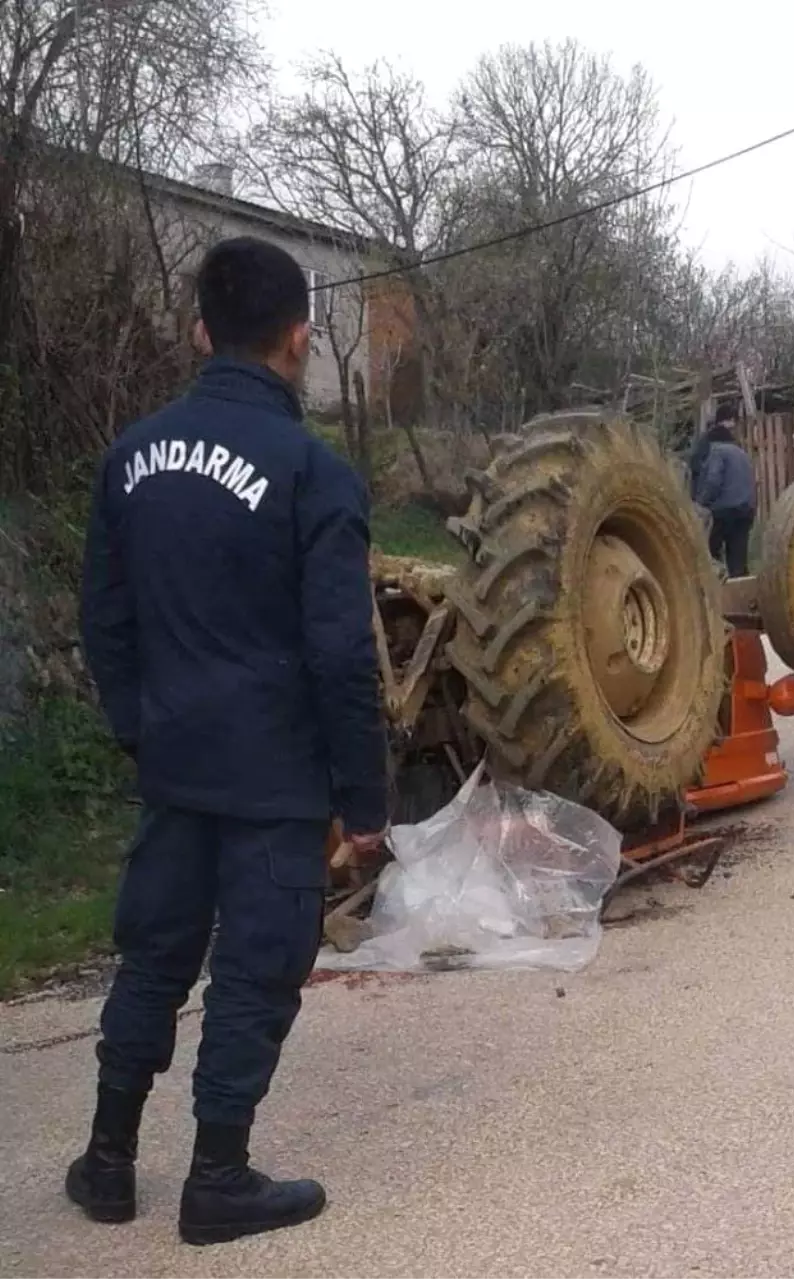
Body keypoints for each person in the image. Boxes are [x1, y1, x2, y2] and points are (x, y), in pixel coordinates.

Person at [70, 237, 389, 1245]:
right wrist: (366, 799)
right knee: (255, 971)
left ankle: (108, 1162)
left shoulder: (131, 457)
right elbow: (342, 655)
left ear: (201, 329)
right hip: (275, 779)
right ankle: (218, 1178)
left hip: (174, 765)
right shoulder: (314, 473)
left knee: (153, 957)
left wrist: (140, 730)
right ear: (298, 338)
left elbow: (105, 622)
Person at [697, 412, 757, 577]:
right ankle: (743, 594)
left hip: (724, 510)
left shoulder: (717, 451)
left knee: (708, 552)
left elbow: (713, 481)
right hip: (746, 510)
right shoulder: (741, 453)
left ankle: (716, 587)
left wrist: (700, 503)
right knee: (738, 558)